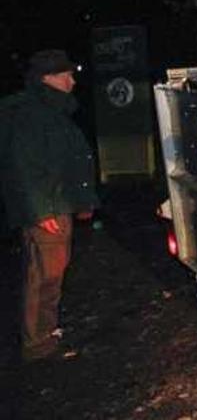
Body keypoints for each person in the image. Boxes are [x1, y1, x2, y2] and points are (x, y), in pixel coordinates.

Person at [0, 49, 99, 362]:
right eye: (66, 74)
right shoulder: (31, 113)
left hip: (58, 205)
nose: (72, 80)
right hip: (48, 211)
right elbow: (24, 167)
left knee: (52, 270)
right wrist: (41, 211)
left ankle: (46, 330)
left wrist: (82, 201)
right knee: (43, 274)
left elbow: (64, 160)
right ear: (48, 78)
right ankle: (38, 341)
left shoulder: (51, 110)